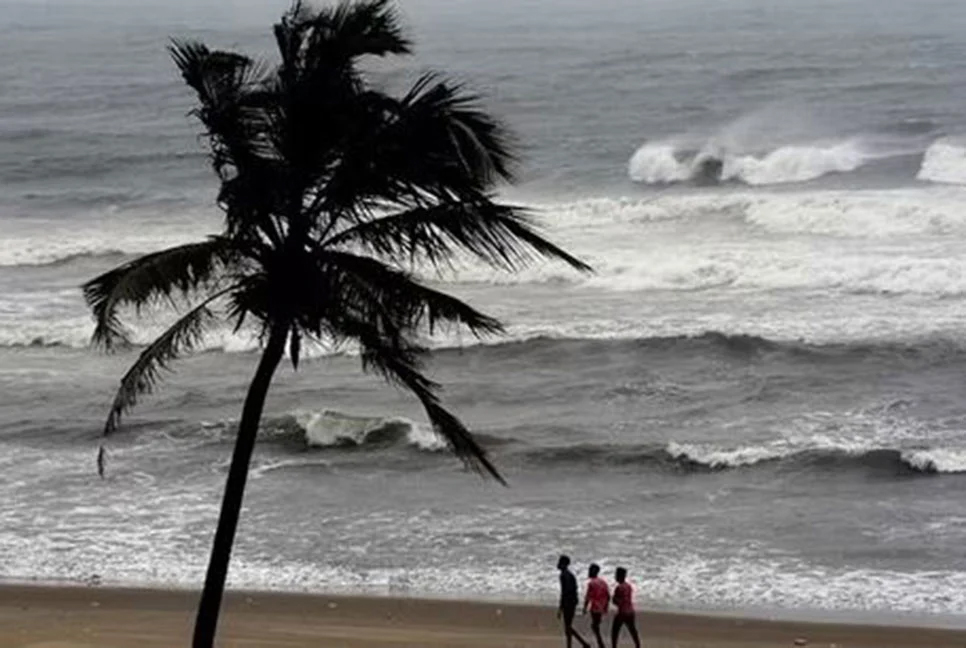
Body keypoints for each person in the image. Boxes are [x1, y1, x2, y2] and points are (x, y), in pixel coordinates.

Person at [557, 555, 591, 648]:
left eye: (560, 562)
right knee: (568, 626)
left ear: (564, 564)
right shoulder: (569, 574)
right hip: (572, 601)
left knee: (568, 627)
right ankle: (571, 645)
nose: (558, 564)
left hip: (568, 602)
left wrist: (561, 607)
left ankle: (583, 643)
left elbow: (564, 592)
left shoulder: (564, 575)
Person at [610, 567, 640, 648]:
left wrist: (613, 598)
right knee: (632, 630)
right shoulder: (628, 586)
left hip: (622, 612)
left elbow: (616, 602)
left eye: (616, 575)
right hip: (630, 611)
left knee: (615, 631)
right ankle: (638, 645)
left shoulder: (619, 587)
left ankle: (614, 646)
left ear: (619, 576)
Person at [582, 563, 610, 648]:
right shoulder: (603, 582)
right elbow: (608, 596)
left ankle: (600, 644)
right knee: (595, 626)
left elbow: (588, 597)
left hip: (595, 608)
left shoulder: (591, 583)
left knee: (595, 627)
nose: (588, 572)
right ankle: (599, 643)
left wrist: (584, 608)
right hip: (601, 607)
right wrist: (605, 607)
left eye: (590, 570)